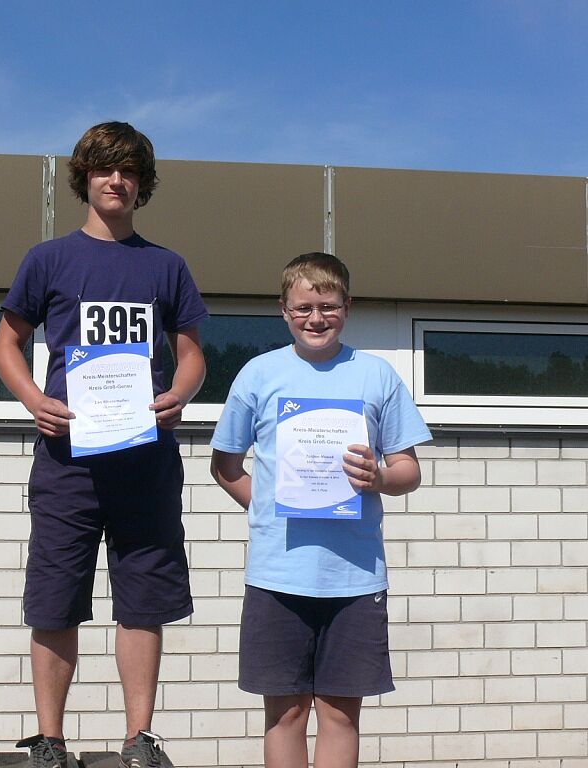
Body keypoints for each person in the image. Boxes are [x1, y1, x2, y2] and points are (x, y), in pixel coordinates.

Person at [0, 121, 208, 768]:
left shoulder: (167, 266)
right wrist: (34, 400)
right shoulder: (48, 259)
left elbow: (192, 356)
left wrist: (180, 395)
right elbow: (6, 345)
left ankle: (140, 738)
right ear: (84, 177)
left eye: (129, 171)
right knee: (55, 598)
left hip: (145, 460)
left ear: (143, 183)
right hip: (68, 464)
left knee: (143, 599)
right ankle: (49, 741)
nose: (117, 181)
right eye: (105, 169)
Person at [210, 252, 431, 768]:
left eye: (328, 306)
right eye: (303, 307)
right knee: (284, 716)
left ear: (347, 307)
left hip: (354, 579)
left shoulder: (377, 375)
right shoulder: (258, 374)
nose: (316, 318)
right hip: (278, 576)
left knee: (340, 716)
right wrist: (271, 507)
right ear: (284, 310)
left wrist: (379, 477)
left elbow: (409, 470)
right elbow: (225, 465)